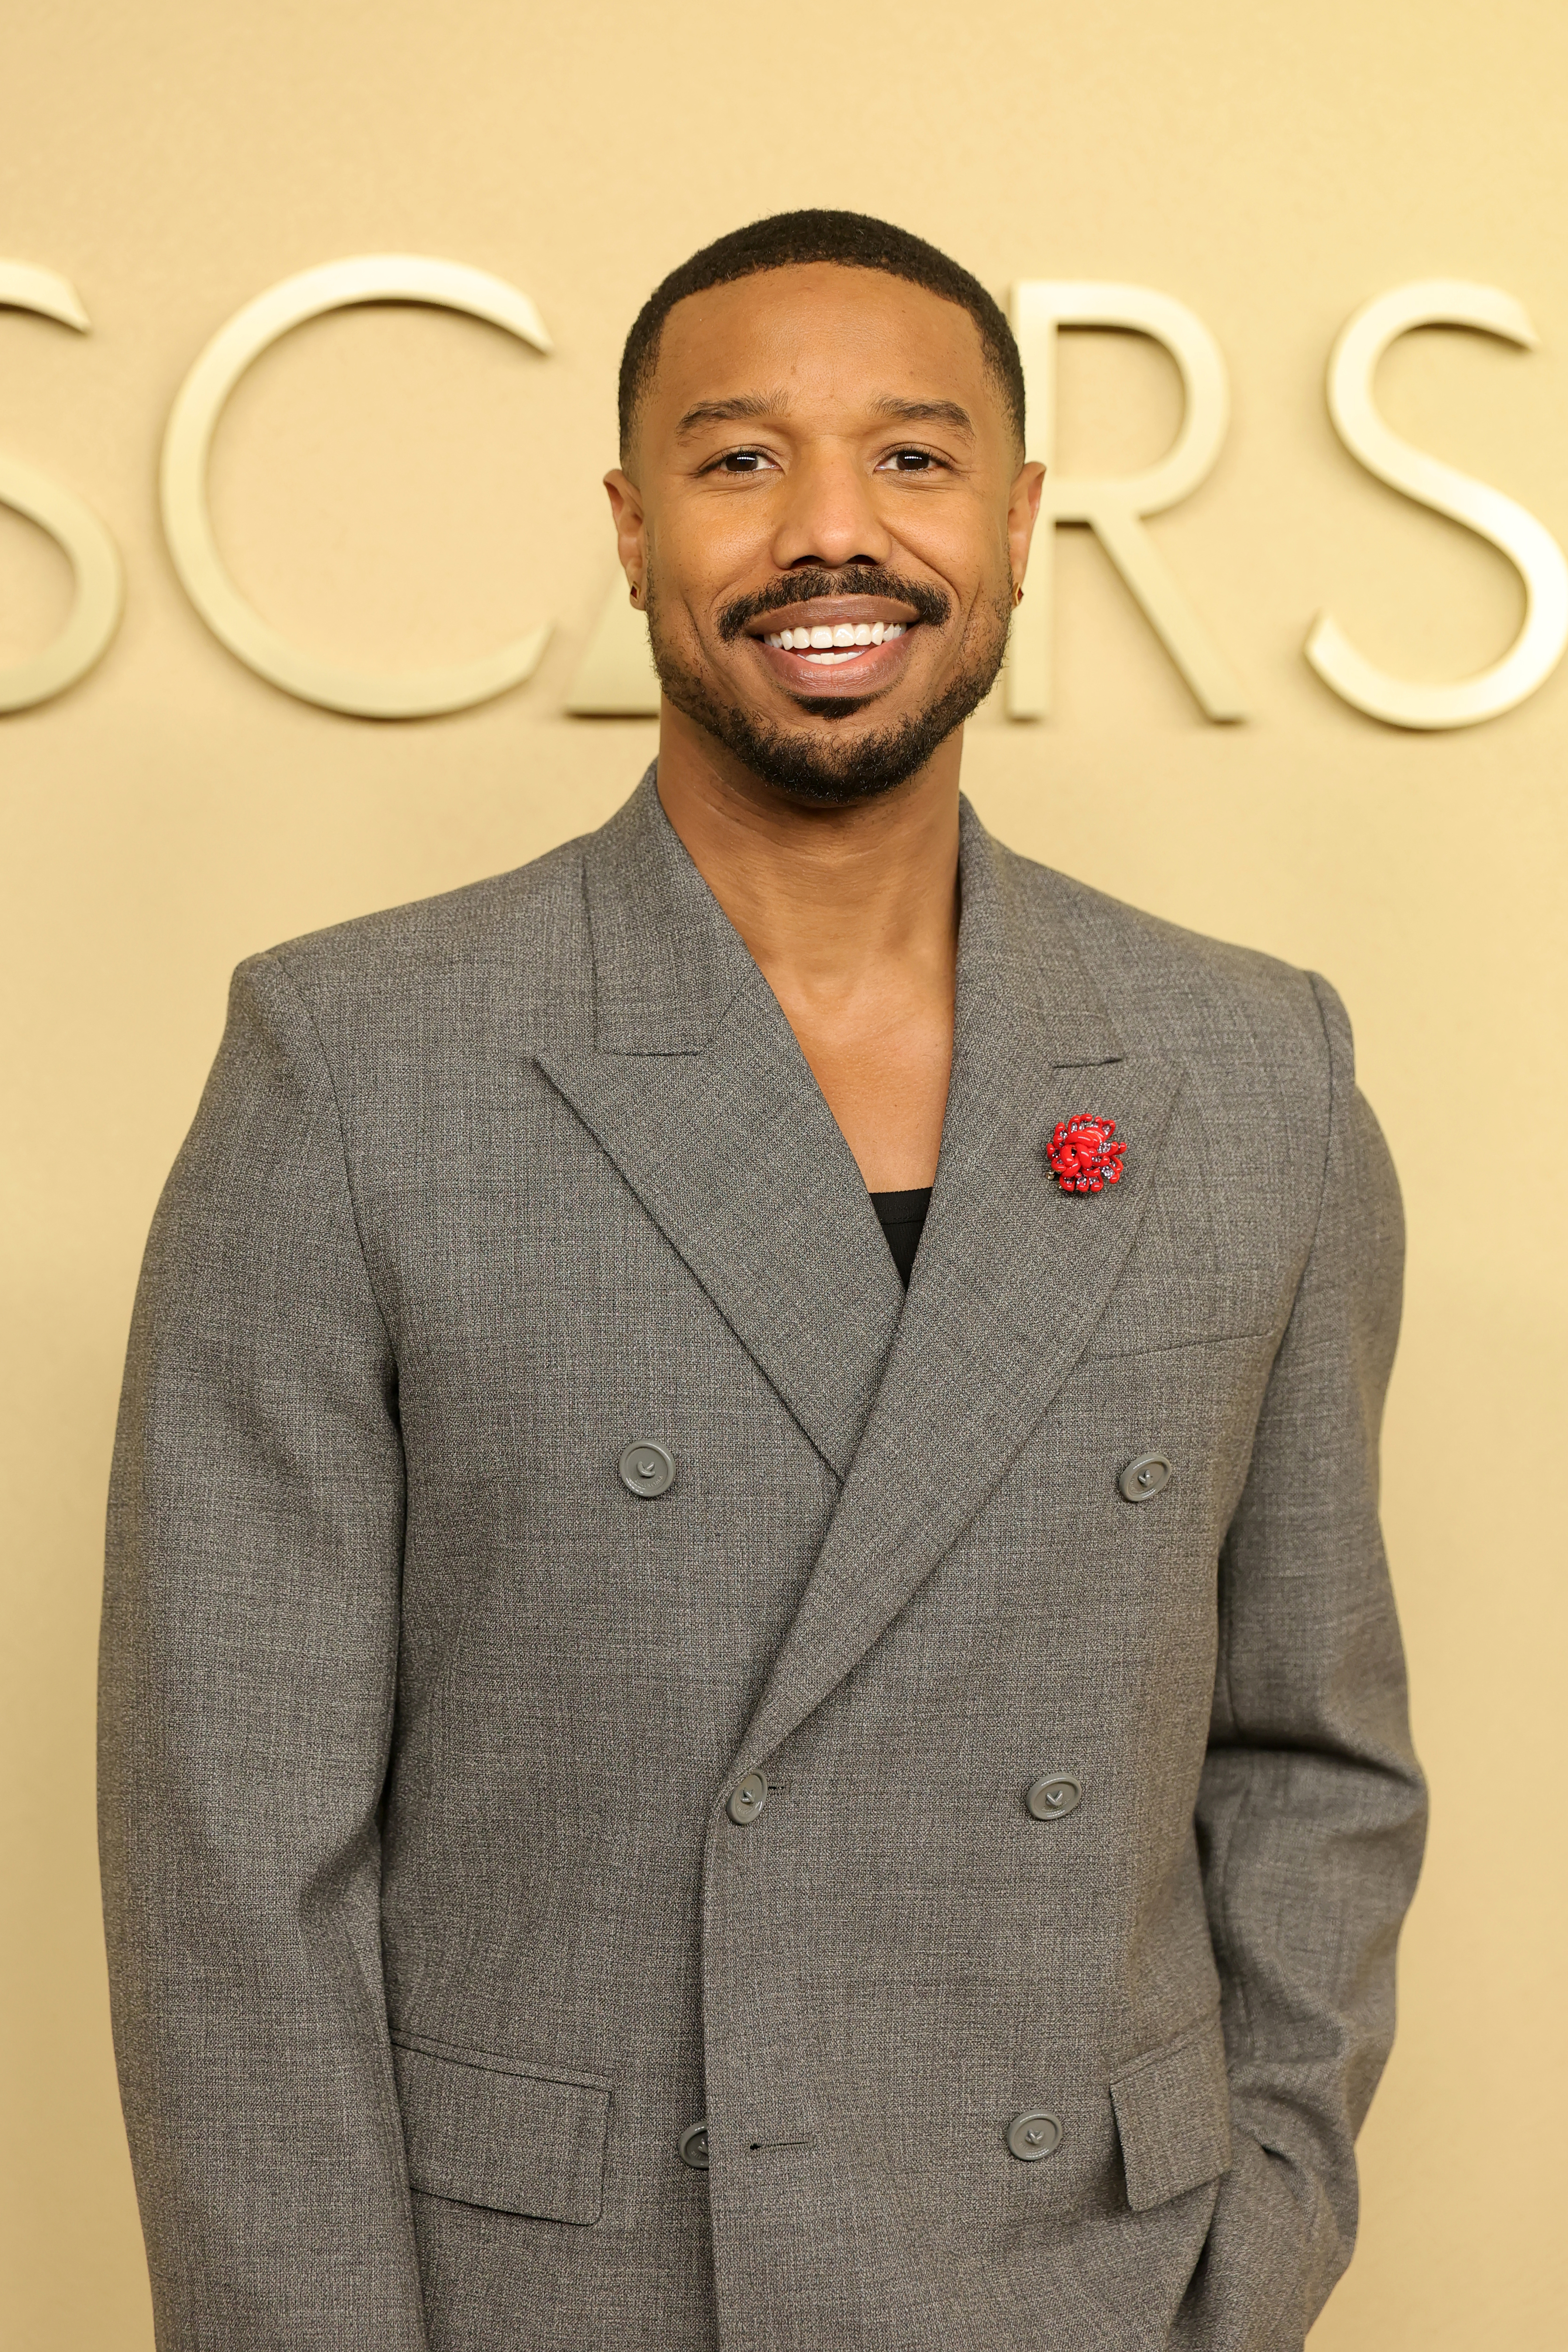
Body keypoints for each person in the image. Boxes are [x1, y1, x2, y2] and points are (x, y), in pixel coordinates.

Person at [99, 210, 1426, 2352]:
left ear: (1019, 523)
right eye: (738, 465)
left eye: (912, 461)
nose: (832, 536)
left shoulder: (1251, 1066)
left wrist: (1257, 2222)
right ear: (630, 532)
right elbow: (231, 1873)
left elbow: (1312, 1752)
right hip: (567, 2291)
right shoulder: (356, 1062)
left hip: (1103, 2285)